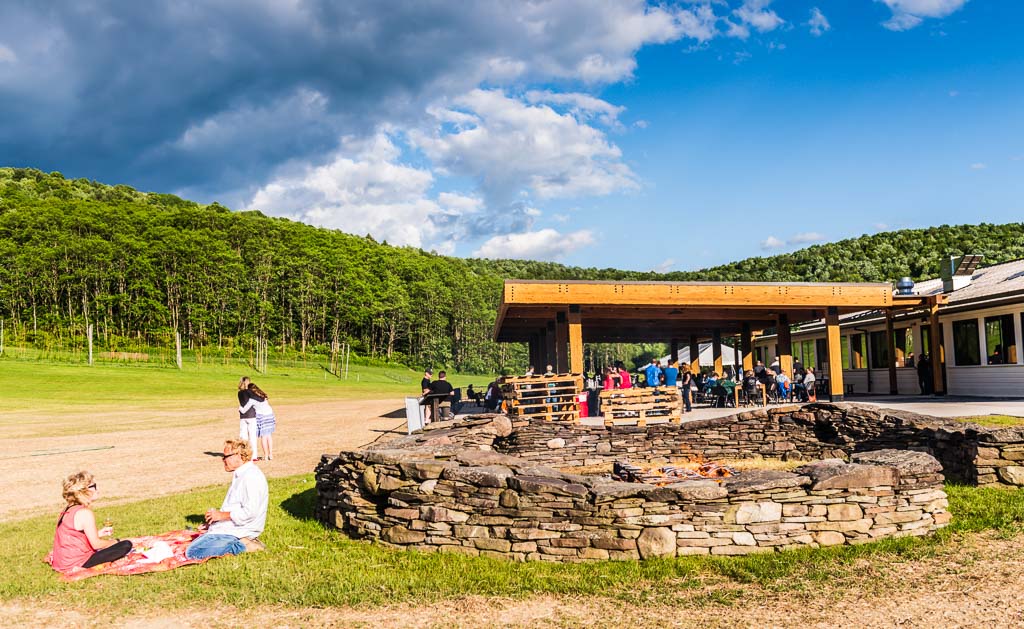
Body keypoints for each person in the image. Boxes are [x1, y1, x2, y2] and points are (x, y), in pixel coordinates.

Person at [185, 438, 268, 560]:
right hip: (233, 528)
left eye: (225, 456)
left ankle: (244, 545)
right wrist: (215, 523)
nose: (223, 460)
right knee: (196, 544)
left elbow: (250, 512)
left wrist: (220, 516)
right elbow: (236, 508)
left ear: (239, 456)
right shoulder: (242, 474)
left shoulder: (251, 477)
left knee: (194, 552)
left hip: (240, 531)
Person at [48, 472, 133, 572]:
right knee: (126, 544)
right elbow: (96, 544)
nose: (97, 490)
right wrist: (116, 541)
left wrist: (98, 533)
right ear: (83, 491)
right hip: (76, 564)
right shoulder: (84, 513)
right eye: (93, 486)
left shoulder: (68, 509)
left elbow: (74, 537)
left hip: (63, 562)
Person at [240, 383, 275, 461]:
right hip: (270, 415)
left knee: (263, 436)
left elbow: (244, 409)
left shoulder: (252, 400)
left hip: (262, 417)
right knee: (269, 436)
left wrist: (240, 409)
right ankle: (271, 454)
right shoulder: (263, 396)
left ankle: (266, 455)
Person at [237, 376, 258, 461]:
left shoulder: (239, 393)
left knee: (243, 436)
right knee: (252, 436)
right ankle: (254, 456)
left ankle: (243, 454)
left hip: (243, 416)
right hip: (251, 415)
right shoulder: (250, 392)